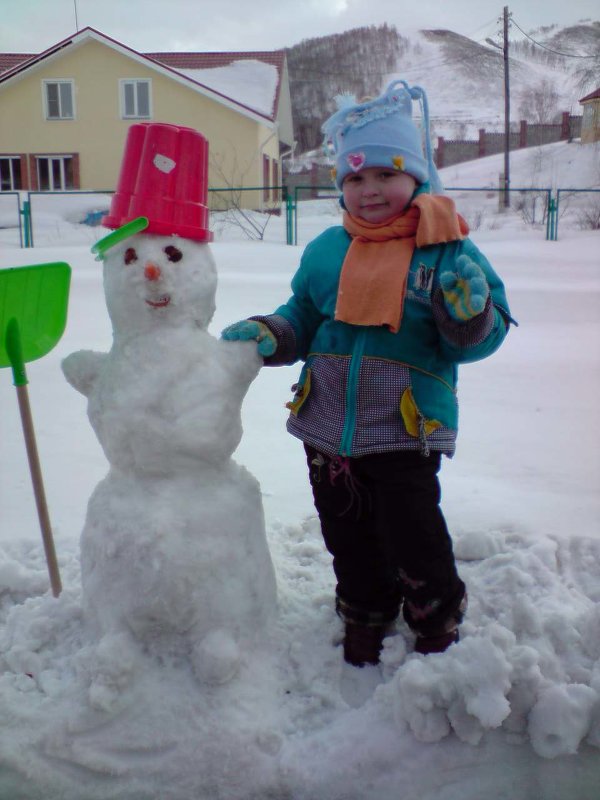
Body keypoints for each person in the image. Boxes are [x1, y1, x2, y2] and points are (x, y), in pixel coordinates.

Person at [222, 80, 515, 667]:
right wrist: (273, 333)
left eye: (385, 174)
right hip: (327, 424)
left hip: (406, 424)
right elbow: (303, 315)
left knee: (414, 533)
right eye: (355, 178)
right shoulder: (329, 249)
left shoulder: (447, 250)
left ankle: (435, 610)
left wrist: (469, 315)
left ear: (417, 178)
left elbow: (483, 337)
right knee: (346, 533)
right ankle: (365, 607)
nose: (370, 189)